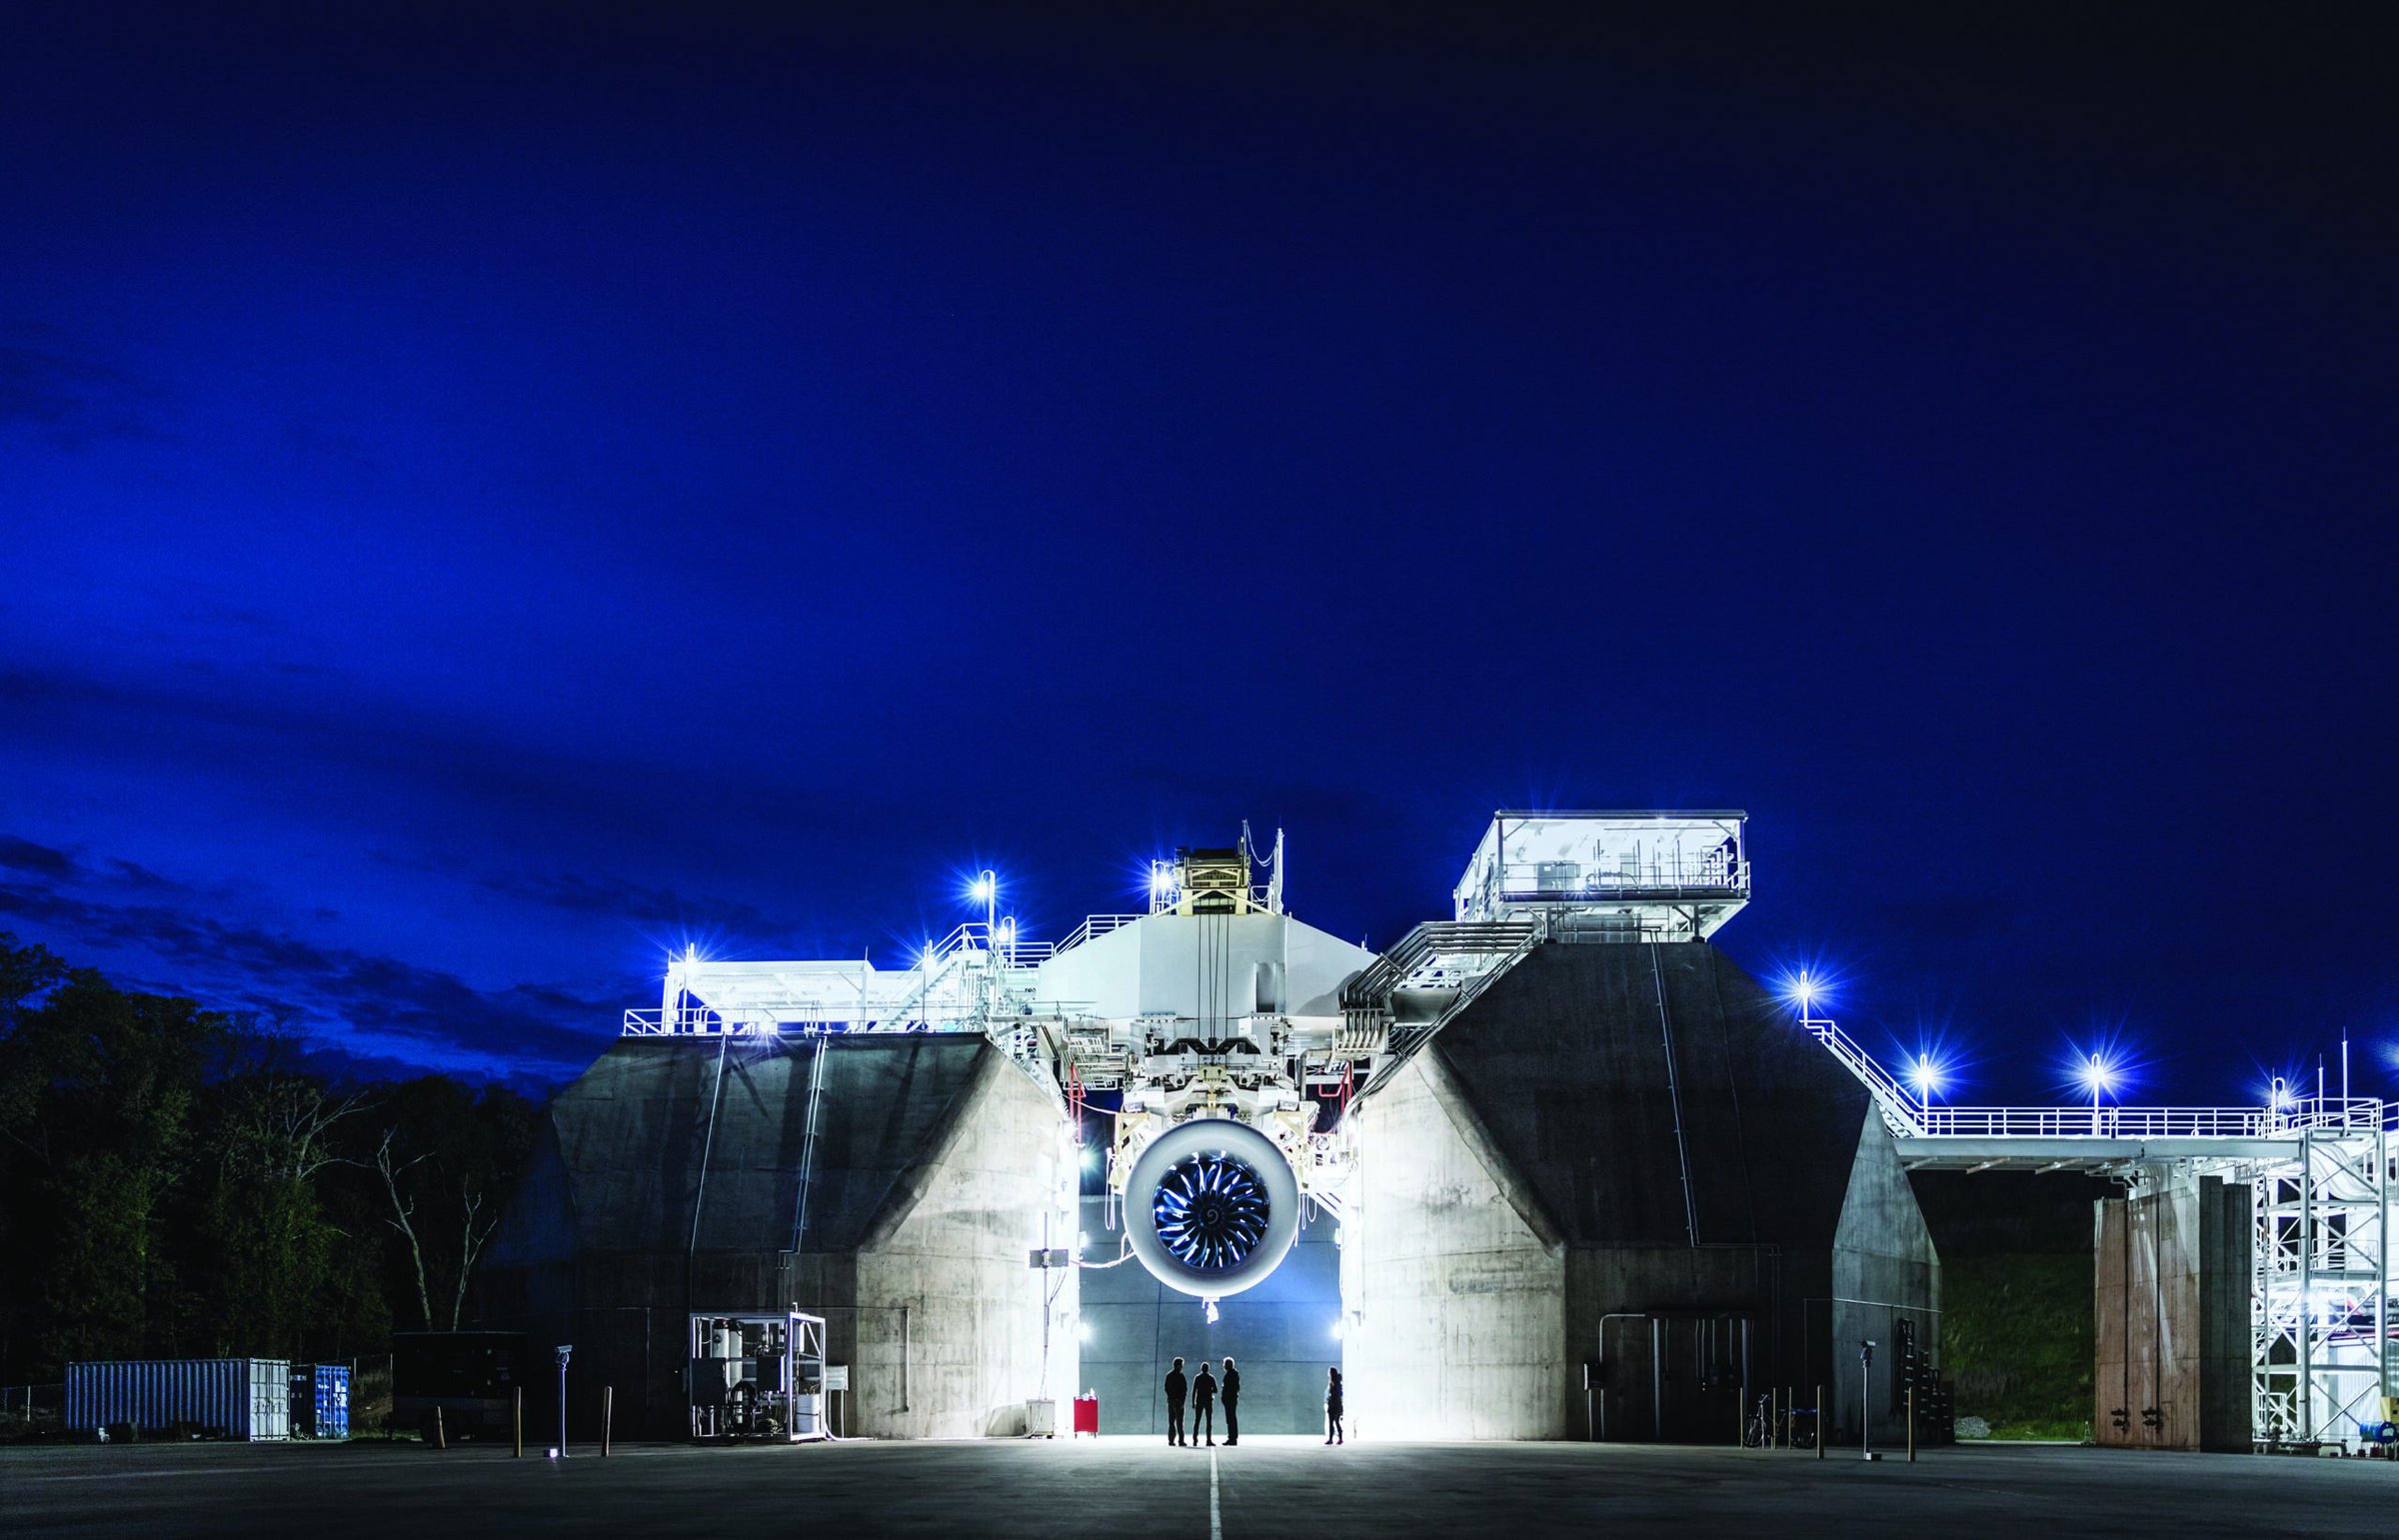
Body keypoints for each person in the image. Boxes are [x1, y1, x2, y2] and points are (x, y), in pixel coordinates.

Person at [1192, 1360, 1217, 1447]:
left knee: (1197, 1421)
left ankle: (1195, 1439)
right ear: (1208, 1369)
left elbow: (1194, 1390)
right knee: (1209, 1421)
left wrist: (1193, 1402)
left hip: (1199, 1401)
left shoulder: (1197, 1378)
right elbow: (1216, 1390)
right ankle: (1208, 1440)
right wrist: (1209, 1390)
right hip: (1208, 1402)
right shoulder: (1211, 1378)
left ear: (1201, 1369)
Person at [1164, 1357, 1188, 1446]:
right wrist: (1181, 1401)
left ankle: (1171, 1440)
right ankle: (1181, 1440)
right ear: (1178, 1366)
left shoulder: (1169, 1375)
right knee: (1180, 1422)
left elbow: (1166, 1388)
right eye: (1181, 1365)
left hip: (1170, 1401)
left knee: (1171, 1421)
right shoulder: (1181, 1376)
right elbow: (1184, 1390)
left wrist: (1171, 1397)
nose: (1182, 1367)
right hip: (1179, 1401)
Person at [1219, 1357, 1240, 1446]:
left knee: (1230, 1418)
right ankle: (1232, 1437)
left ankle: (1232, 1438)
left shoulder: (1230, 1375)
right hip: (1231, 1399)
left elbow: (1230, 1388)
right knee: (1231, 1418)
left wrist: (1225, 1397)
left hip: (1230, 1400)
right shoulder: (1234, 1374)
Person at [1324, 1366, 1344, 1445]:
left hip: (1335, 1406)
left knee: (1335, 1422)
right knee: (1333, 1423)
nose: (1328, 1374)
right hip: (1334, 1406)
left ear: (1331, 1373)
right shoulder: (1334, 1383)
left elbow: (1336, 1395)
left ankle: (1338, 1439)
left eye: (1329, 1372)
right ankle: (1332, 1439)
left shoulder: (1335, 1384)